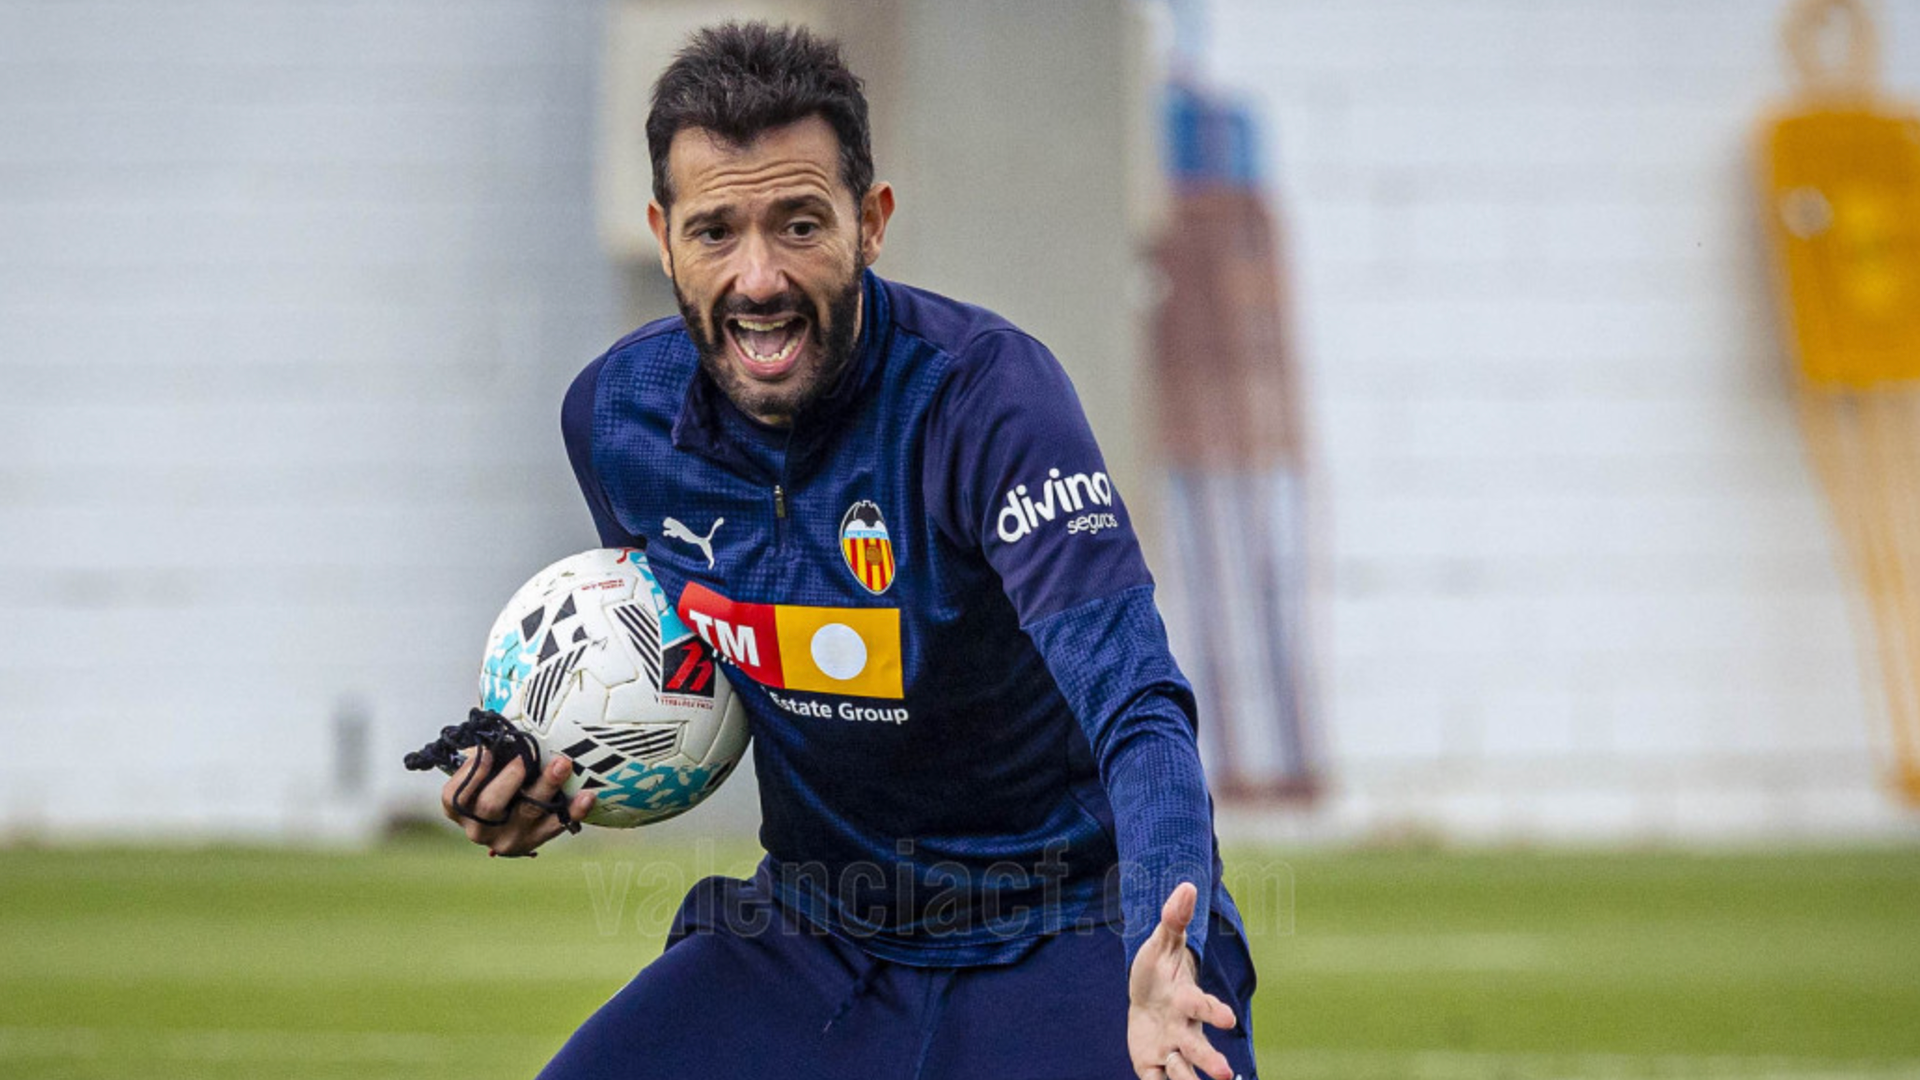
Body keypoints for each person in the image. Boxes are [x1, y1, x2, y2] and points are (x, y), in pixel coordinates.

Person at [441, 21, 1258, 1080]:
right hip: (819, 937)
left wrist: (1167, 946)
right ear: (662, 234)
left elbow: (1139, 706)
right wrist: (553, 772)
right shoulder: (613, 423)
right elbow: (673, 676)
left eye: (799, 224)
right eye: (715, 231)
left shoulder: (988, 401)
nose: (759, 278)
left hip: (1075, 928)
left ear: (871, 223)